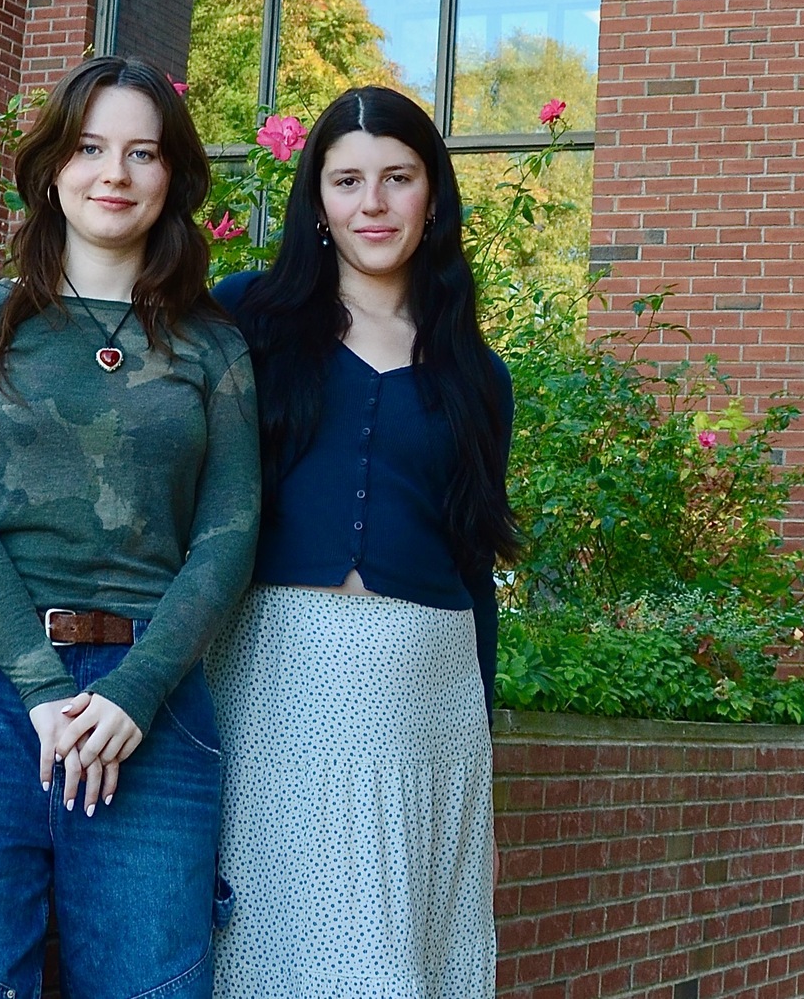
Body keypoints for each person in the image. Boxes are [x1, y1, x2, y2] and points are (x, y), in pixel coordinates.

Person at [0, 56, 260, 999]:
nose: (113, 174)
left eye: (141, 152)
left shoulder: (213, 347)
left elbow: (229, 535)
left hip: (152, 705)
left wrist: (130, 693)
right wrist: (44, 688)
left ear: (171, 176)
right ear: (54, 166)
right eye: (90, 147)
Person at [209, 85, 519, 998]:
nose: (372, 204)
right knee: (273, 942)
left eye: (398, 178)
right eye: (347, 180)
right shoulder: (249, 320)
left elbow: (475, 564)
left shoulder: (478, 371)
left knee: (388, 963)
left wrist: (486, 791)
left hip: (427, 696)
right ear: (318, 200)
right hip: (277, 679)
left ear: (433, 195)